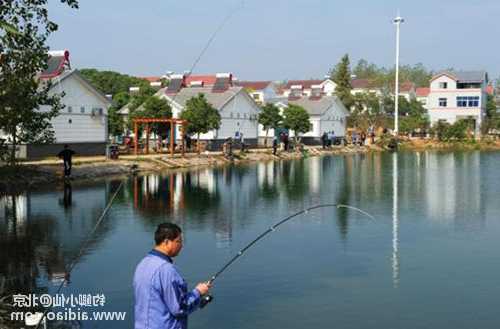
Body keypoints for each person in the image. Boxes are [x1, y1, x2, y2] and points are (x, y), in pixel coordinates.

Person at [134, 223, 211, 329]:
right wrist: (198, 292)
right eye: (178, 241)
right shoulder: (166, 270)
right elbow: (179, 308)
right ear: (166, 242)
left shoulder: (143, 264)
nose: (181, 245)